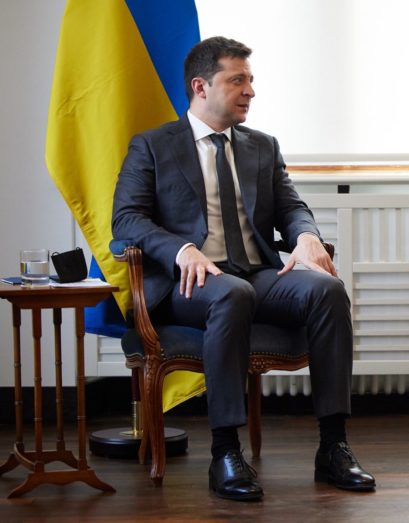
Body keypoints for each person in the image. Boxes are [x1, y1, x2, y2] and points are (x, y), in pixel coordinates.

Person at [112, 36, 375, 501]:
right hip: (190, 284)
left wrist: (306, 236)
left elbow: (291, 207)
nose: (250, 90)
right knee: (232, 293)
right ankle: (225, 452)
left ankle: (333, 446)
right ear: (201, 87)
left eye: (250, 80)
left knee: (327, 291)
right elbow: (127, 219)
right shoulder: (153, 146)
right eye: (237, 80)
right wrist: (180, 249)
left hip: (257, 274)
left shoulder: (262, 147)